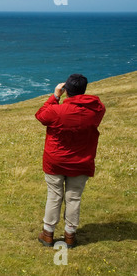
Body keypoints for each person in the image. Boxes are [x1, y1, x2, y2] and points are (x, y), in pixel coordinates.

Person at [35, 74, 106, 248]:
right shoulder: (96, 110)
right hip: (82, 160)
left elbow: (41, 116)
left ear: (67, 90)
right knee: (74, 198)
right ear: (84, 89)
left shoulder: (57, 111)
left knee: (54, 196)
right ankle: (70, 236)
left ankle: (48, 233)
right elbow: (98, 107)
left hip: (55, 160)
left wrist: (55, 96)